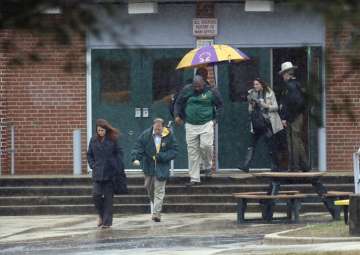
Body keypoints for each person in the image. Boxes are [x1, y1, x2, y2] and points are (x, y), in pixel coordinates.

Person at [174, 75, 224, 185]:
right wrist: (177, 115)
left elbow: (220, 105)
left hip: (206, 123)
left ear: (203, 84)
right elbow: (178, 103)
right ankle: (194, 178)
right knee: (192, 152)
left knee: (206, 146)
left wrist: (215, 119)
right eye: (195, 86)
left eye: (199, 86)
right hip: (190, 124)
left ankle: (207, 166)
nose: (197, 88)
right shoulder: (187, 90)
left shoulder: (212, 91)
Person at [131, 118, 178, 222]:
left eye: (159, 129)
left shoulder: (169, 135)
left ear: (163, 127)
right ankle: (156, 205)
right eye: (155, 129)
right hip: (149, 166)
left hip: (162, 167)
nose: (157, 131)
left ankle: (156, 213)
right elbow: (138, 147)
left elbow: (174, 151)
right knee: (149, 188)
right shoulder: (146, 135)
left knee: (159, 190)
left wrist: (161, 156)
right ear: (153, 126)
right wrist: (135, 158)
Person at [239, 78, 283, 172]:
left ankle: (275, 166)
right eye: (254, 84)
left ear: (262, 84)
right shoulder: (252, 94)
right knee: (251, 144)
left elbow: (276, 107)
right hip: (256, 123)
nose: (255, 86)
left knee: (270, 145)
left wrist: (265, 105)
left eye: (257, 84)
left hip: (267, 123)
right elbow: (250, 110)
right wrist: (252, 104)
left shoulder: (269, 93)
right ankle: (246, 165)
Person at [87, 118, 124, 229]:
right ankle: (101, 215)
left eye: (102, 130)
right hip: (97, 172)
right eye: (99, 130)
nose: (101, 132)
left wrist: (116, 165)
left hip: (110, 173)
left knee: (108, 199)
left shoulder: (112, 140)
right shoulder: (93, 140)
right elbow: (89, 154)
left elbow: (119, 153)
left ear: (106, 130)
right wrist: (93, 165)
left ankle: (107, 223)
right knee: (96, 195)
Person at [278, 61, 309, 171]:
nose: (282, 77)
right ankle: (304, 165)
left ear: (286, 74)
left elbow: (291, 104)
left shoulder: (290, 86)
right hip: (296, 115)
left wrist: (286, 117)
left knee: (293, 142)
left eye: (283, 74)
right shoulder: (296, 85)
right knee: (297, 140)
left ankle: (295, 166)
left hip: (293, 117)